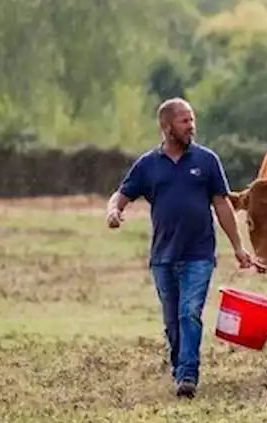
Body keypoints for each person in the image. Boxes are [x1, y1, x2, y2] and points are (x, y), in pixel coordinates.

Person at [106, 98, 253, 398]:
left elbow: (222, 205)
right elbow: (121, 195)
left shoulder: (207, 161)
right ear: (166, 126)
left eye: (192, 120)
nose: (192, 127)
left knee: (190, 313)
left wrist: (238, 246)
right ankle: (179, 367)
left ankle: (188, 376)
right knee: (172, 321)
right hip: (163, 257)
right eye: (185, 121)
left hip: (198, 254)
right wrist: (113, 212)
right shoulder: (148, 165)